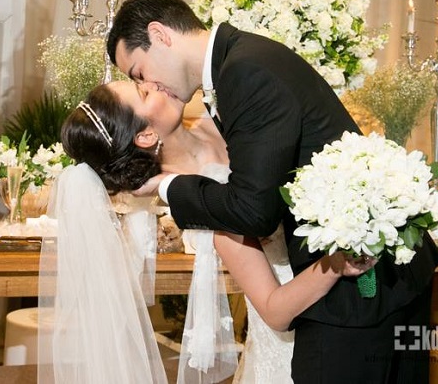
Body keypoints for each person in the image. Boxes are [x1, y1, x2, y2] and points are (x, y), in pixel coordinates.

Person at [106, 0, 438, 382]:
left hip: (357, 292)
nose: (150, 85)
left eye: (139, 73)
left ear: (160, 34)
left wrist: (166, 186)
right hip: (378, 278)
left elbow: (255, 211)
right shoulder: (241, 60)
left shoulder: (245, 72)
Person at [59, 81, 375, 382]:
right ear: (145, 135)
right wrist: (334, 265)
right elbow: (275, 310)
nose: (155, 82)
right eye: (143, 92)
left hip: (359, 318)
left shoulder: (225, 115)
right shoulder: (205, 207)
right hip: (299, 351)